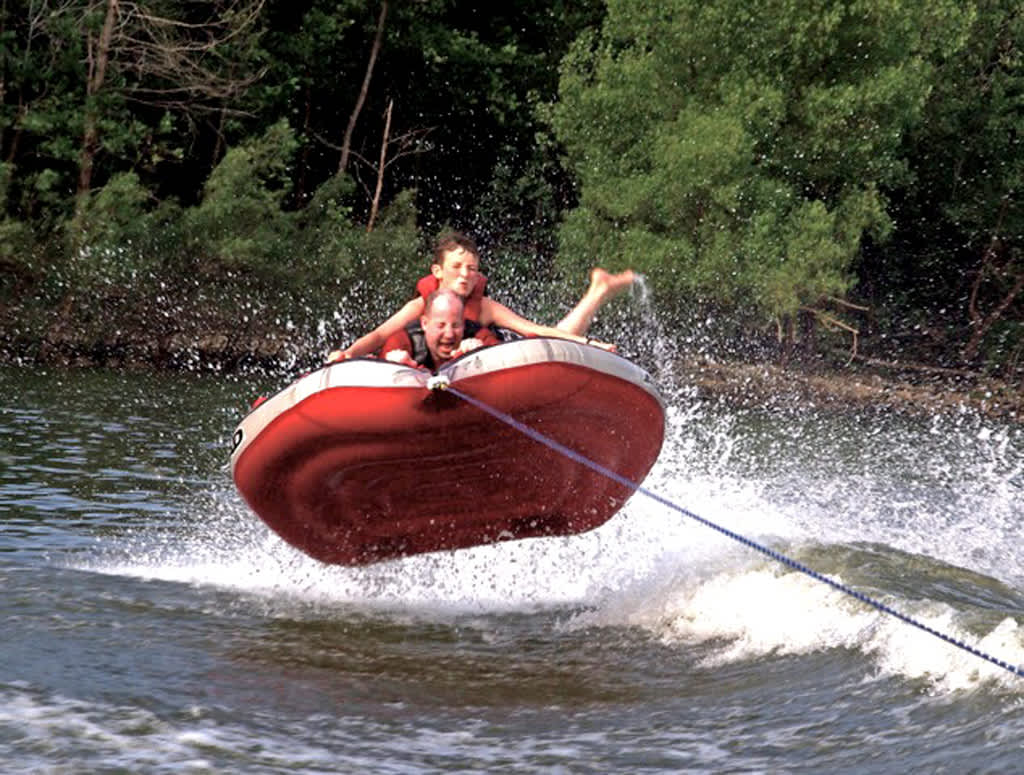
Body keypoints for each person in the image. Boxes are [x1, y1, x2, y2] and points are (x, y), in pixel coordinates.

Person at [327, 232, 635, 362]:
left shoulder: (484, 307)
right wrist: (348, 354)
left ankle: (598, 291)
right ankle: (598, 290)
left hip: (491, 357)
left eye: (472, 269)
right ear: (437, 270)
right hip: (431, 369)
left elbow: (535, 330)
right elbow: (380, 334)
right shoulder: (421, 305)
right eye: (457, 267)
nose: (464, 274)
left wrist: (589, 344)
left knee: (551, 343)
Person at [381, 288, 484, 370]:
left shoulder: (478, 334)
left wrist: (483, 355)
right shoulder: (402, 340)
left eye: (456, 326)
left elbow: (499, 359)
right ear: (424, 323)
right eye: (441, 326)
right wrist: (396, 367)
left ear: (463, 324)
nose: (449, 334)